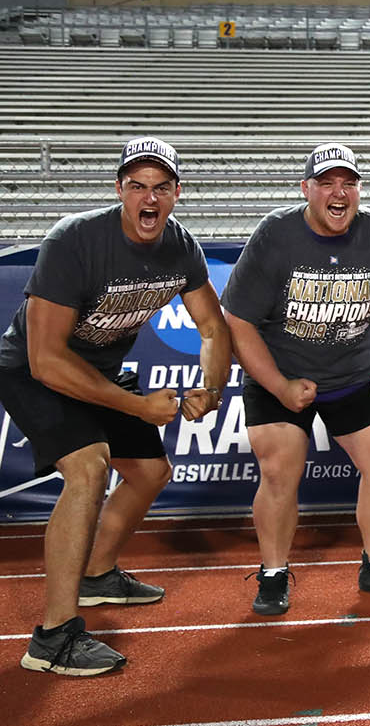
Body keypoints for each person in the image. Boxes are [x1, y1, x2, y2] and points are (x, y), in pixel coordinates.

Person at [0, 137, 231, 675]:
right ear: (119, 190)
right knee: (88, 468)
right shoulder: (76, 239)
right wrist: (137, 407)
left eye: (161, 188)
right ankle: (53, 639)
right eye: (137, 187)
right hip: (31, 369)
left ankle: (97, 575)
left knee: (150, 472)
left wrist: (211, 388)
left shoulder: (181, 246)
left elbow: (214, 328)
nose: (149, 200)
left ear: (177, 193)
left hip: (99, 371)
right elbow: (46, 361)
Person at [221, 142, 370, 616]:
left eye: (348, 183)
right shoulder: (275, 234)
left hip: (353, 374)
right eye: (327, 183)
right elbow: (238, 322)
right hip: (280, 372)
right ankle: (273, 572)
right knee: (279, 468)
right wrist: (277, 385)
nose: (340, 192)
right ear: (306, 189)